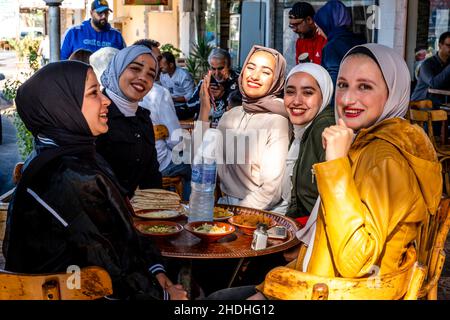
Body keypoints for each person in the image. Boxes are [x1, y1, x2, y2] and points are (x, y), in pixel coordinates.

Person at [208, 43, 443, 300]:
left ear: (393, 92)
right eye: (343, 85)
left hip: (336, 292)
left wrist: (335, 167)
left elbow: (356, 262)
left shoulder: (385, 159)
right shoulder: (368, 143)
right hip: (319, 281)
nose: (348, 98)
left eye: (365, 86)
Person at [2, 61, 187, 300]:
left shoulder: (56, 155)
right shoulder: (68, 176)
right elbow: (107, 266)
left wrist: (155, 271)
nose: (106, 100)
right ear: (63, 106)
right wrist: (165, 295)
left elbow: (119, 237)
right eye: (93, 93)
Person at [197, 45, 290, 211]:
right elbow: (202, 162)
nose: (254, 76)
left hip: (260, 213)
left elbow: (271, 192)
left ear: (277, 80)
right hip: (226, 207)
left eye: (266, 72)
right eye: (250, 67)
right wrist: (204, 109)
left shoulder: (278, 119)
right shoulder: (230, 115)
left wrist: (235, 215)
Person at [96, 45, 162, 198]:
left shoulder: (143, 119)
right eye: (135, 68)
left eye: (151, 75)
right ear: (118, 68)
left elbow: (151, 177)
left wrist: (160, 214)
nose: (143, 78)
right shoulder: (96, 114)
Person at [271, 63, 335, 221]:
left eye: (308, 93)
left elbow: (333, 203)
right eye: (290, 92)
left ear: (324, 95)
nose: (297, 101)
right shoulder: (300, 128)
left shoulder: (324, 128)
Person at [134, 39, 192, 201]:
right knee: (195, 165)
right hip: (157, 166)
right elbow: (176, 141)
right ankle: (187, 211)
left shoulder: (113, 90)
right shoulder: (157, 92)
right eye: (157, 59)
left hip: (127, 168)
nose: (160, 64)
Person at [314, 0, 366, 88]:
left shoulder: (332, 47)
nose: (318, 32)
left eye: (319, 27)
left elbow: (334, 81)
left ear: (327, 23)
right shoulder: (359, 40)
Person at [187, 48, 240, 123]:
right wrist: (207, 97)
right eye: (213, 69)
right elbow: (189, 106)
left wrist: (224, 94)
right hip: (206, 128)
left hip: (229, 128)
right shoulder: (205, 82)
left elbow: (240, 108)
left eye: (220, 68)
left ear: (228, 66)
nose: (217, 73)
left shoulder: (239, 81)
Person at [60, 0, 125, 60]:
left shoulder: (116, 36)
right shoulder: (74, 32)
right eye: (100, 13)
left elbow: (124, 61)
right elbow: (62, 60)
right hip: (80, 72)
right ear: (91, 13)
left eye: (106, 13)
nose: (104, 16)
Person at [411, 31, 450, 106]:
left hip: (440, 106)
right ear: (440, 45)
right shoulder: (427, 64)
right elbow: (434, 83)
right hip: (420, 107)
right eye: (449, 45)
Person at [159, 51, 195, 120]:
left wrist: (174, 100)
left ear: (171, 65)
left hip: (185, 106)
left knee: (172, 115)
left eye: (163, 65)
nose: (160, 67)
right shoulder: (162, 75)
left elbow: (191, 95)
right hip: (170, 105)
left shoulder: (184, 75)